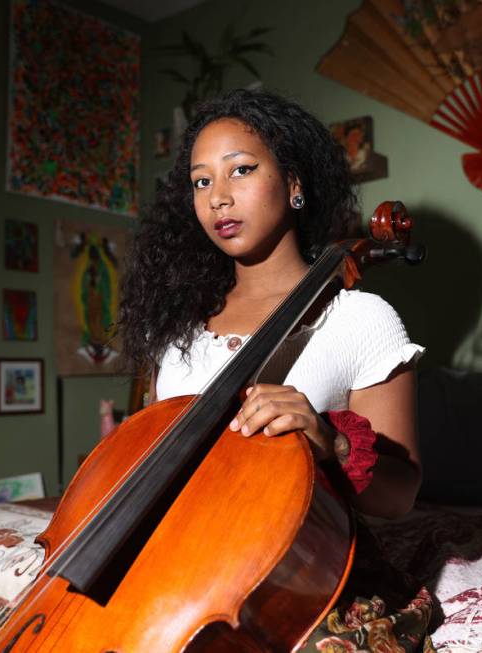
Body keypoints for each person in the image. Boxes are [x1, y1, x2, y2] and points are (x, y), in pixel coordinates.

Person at [119, 88, 435, 652]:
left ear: (293, 184)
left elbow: (399, 495)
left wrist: (329, 441)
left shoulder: (362, 317)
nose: (218, 197)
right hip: (173, 559)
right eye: (201, 180)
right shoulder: (181, 326)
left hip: (292, 564)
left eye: (240, 170)